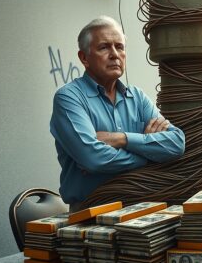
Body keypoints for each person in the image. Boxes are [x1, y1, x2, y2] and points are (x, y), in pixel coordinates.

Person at [50, 15, 185, 211]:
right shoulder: (69, 98)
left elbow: (176, 142)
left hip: (141, 206)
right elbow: (93, 159)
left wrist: (121, 139)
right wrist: (148, 153)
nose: (115, 54)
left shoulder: (137, 97)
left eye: (119, 47)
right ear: (84, 58)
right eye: (104, 47)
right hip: (91, 212)